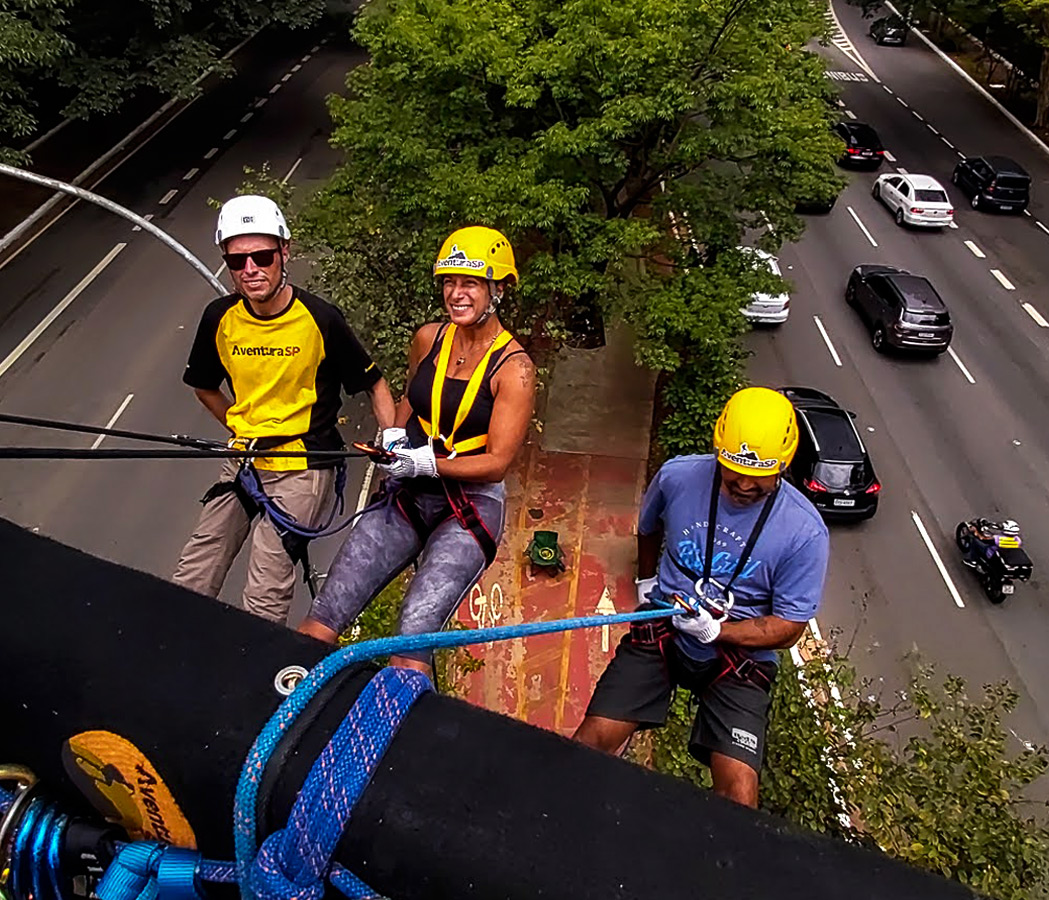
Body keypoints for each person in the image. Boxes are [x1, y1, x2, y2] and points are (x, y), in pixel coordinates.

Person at [573, 387, 830, 808]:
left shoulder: (804, 532)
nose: (744, 484)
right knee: (592, 739)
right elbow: (649, 527)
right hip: (666, 623)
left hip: (740, 653)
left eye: (760, 475)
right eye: (733, 470)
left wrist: (719, 631)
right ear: (718, 452)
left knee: (739, 793)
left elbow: (788, 628)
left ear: (783, 466)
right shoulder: (679, 478)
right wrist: (645, 584)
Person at [299, 226, 536, 675]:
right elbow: (414, 401)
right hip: (409, 492)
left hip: (468, 508)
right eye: (449, 282)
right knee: (323, 617)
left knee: (411, 645)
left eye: (470, 283)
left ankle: (402, 730)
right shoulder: (430, 338)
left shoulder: (516, 370)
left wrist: (428, 462)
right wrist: (392, 438)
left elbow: (498, 463)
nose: (456, 294)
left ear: (498, 289)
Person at [172, 195, 396, 624]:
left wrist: (391, 445)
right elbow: (204, 386)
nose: (251, 269)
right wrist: (242, 427)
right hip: (246, 457)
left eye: (262, 256)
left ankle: (255, 677)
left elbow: (374, 383)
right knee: (193, 575)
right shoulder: (219, 318)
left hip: (305, 462)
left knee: (265, 587)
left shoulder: (320, 318)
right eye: (238, 261)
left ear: (284, 253)